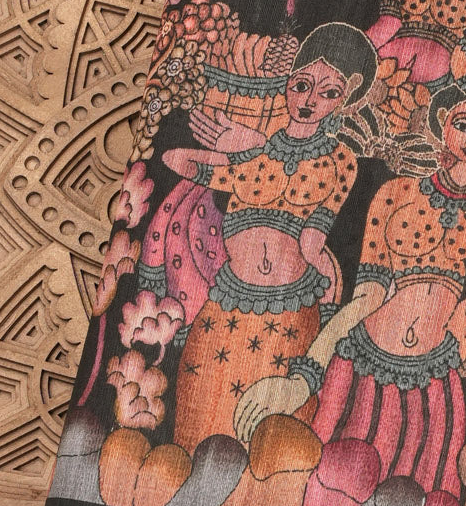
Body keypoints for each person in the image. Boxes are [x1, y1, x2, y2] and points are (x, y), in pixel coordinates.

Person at [234, 73, 466, 497]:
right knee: (322, 487)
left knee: (415, 498)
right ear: (442, 121)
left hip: (433, 379)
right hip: (360, 369)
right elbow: (367, 294)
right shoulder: (396, 192)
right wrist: (304, 379)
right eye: (463, 124)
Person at [161, 22, 378, 452]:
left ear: (346, 100)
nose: (309, 101)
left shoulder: (340, 161)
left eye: (329, 93)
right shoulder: (254, 155)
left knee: (269, 439)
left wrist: (331, 303)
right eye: (302, 85)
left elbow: (313, 241)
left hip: (290, 315)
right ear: (287, 83)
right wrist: (242, 147)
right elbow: (175, 159)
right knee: (197, 424)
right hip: (225, 309)